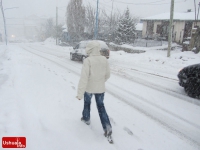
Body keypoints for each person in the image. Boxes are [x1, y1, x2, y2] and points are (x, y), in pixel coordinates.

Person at [76, 40, 112, 137]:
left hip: (89, 89)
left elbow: (84, 78)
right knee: (101, 107)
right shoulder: (104, 59)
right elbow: (108, 75)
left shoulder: (88, 60)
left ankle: (86, 118)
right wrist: (100, 81)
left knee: (87, 103)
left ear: (90, 49)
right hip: (100, 89)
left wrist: (80, 93)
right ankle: (107, 127)